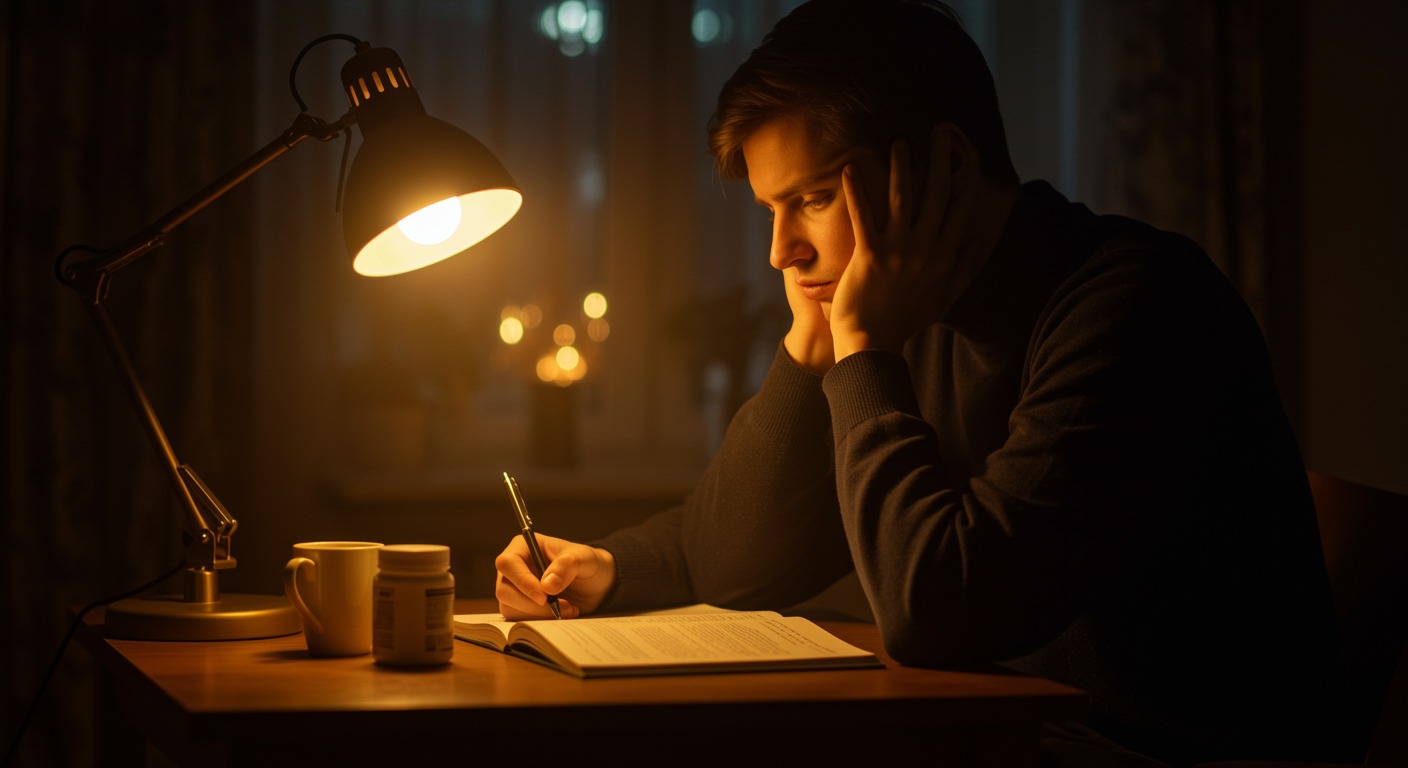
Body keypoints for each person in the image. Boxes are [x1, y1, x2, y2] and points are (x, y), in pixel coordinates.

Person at [494, 1, 1346, 765]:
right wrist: (808, 351)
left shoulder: (1133, 306)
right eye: (770, 211)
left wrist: (862, 349)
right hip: (1004, 731)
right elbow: (736, 564)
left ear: (942, 163)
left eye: (815, 197)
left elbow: (942, 611)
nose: (779, 252)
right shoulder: (917, 314)